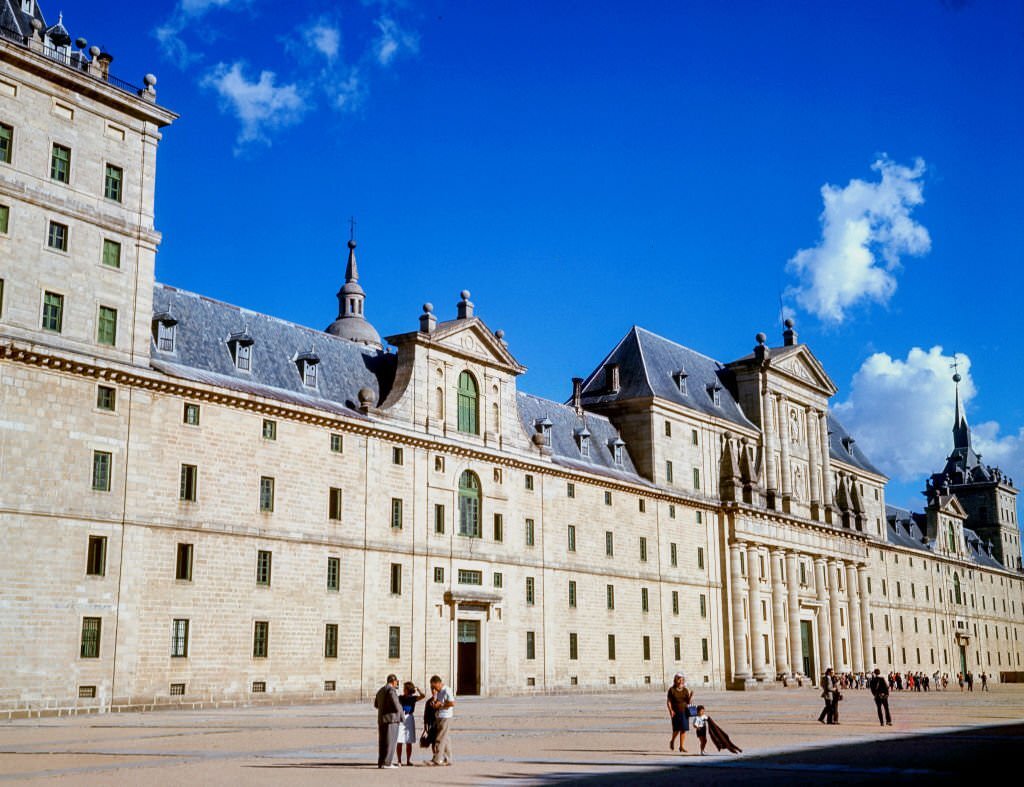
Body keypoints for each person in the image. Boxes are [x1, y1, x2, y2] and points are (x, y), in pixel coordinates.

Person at [374, 674, 403, 769]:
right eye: (396, 681)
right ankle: (387, 763)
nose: (397, 683)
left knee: (382, 742)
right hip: (391, 719)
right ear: (393, 681)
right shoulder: (391, 690)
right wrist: (402, 716)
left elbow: (376, 704)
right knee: (391, 741)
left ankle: (381, 762)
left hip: (381, 719)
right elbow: (396, 704)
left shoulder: (380, 690)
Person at [396, 681, 426, 766]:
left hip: (409, 718)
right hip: (401, 718)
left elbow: (423, 696)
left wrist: (418, 689)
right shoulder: (400, 697)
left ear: (408, 689)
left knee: (409, 741)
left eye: (405, 688)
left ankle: (408, 760)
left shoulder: (413, 698)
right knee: (399, 740)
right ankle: (399, 760)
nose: (403, 690)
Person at [428, 674, 455, 766]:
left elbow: (452, 703)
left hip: (446, 716)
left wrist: (441, 705)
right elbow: (439, 702)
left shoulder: (447, 690)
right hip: (439, 716)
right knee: (446, 739)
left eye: (434, 687)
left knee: (440, 738)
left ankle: (437, 759)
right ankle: (448, 759)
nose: (434, 689)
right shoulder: (439, 691)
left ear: (439, 683)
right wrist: (435, 703)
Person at [666, 673, 693, 752]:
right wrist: (670, 710)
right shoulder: (672, 690)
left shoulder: (685, 690)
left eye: (682, 679)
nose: (681, 681)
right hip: (675, 712)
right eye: (679, 679)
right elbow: (668, 701)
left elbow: (688, 702)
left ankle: (681, 746)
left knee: (683, 729)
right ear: (675, 680)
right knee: (676, 729)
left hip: (684, 712)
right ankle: (672, 740)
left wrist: (691, 696)